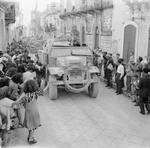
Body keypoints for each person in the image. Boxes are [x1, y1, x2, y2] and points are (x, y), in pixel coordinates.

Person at [13, 80, 41, 144]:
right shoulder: (36, 93)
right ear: (34, 86)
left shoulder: (24, 95)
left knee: (30, 125)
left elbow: (18, 102)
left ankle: (29, 136)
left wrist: (14, 102)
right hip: (35, 111)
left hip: (28, 112)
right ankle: (31, 139)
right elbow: (43, 90)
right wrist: (46, 84)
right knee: (33, 126)